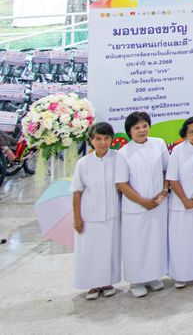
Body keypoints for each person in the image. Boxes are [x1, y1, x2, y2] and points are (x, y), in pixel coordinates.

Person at [115, 111, 169, 298]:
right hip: (135, 207)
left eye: (144, 125)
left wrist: (163, 193)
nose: (141, 130)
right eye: (136, 127)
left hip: (158, 204)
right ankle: (136, 280)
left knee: (155, 241)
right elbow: (121, 183)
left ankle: (152, 276)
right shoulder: (123, 153)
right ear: (129, 131)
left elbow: (166, 171)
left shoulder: (158, 144)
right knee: (136, 244)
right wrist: (142, 201)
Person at [72, 122, 121, 299]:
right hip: (90, 214)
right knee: (90, 250)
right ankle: (92, 285)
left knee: (109, 249)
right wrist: (77, 218)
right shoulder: (83, 163)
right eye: (98, 139)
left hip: (112, 213)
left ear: (111, 139)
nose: (102, 142)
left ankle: (107, 282)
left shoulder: (118, 158)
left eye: (106, 138)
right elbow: (77, 192)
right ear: (91, 140)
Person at [166, 115, 193, 289]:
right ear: (185, 134)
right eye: (192, 132)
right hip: (180, 204)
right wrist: (185, 200)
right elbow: (172, 179)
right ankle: (181, 274)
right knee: (181, 240)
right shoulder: (178, 151)